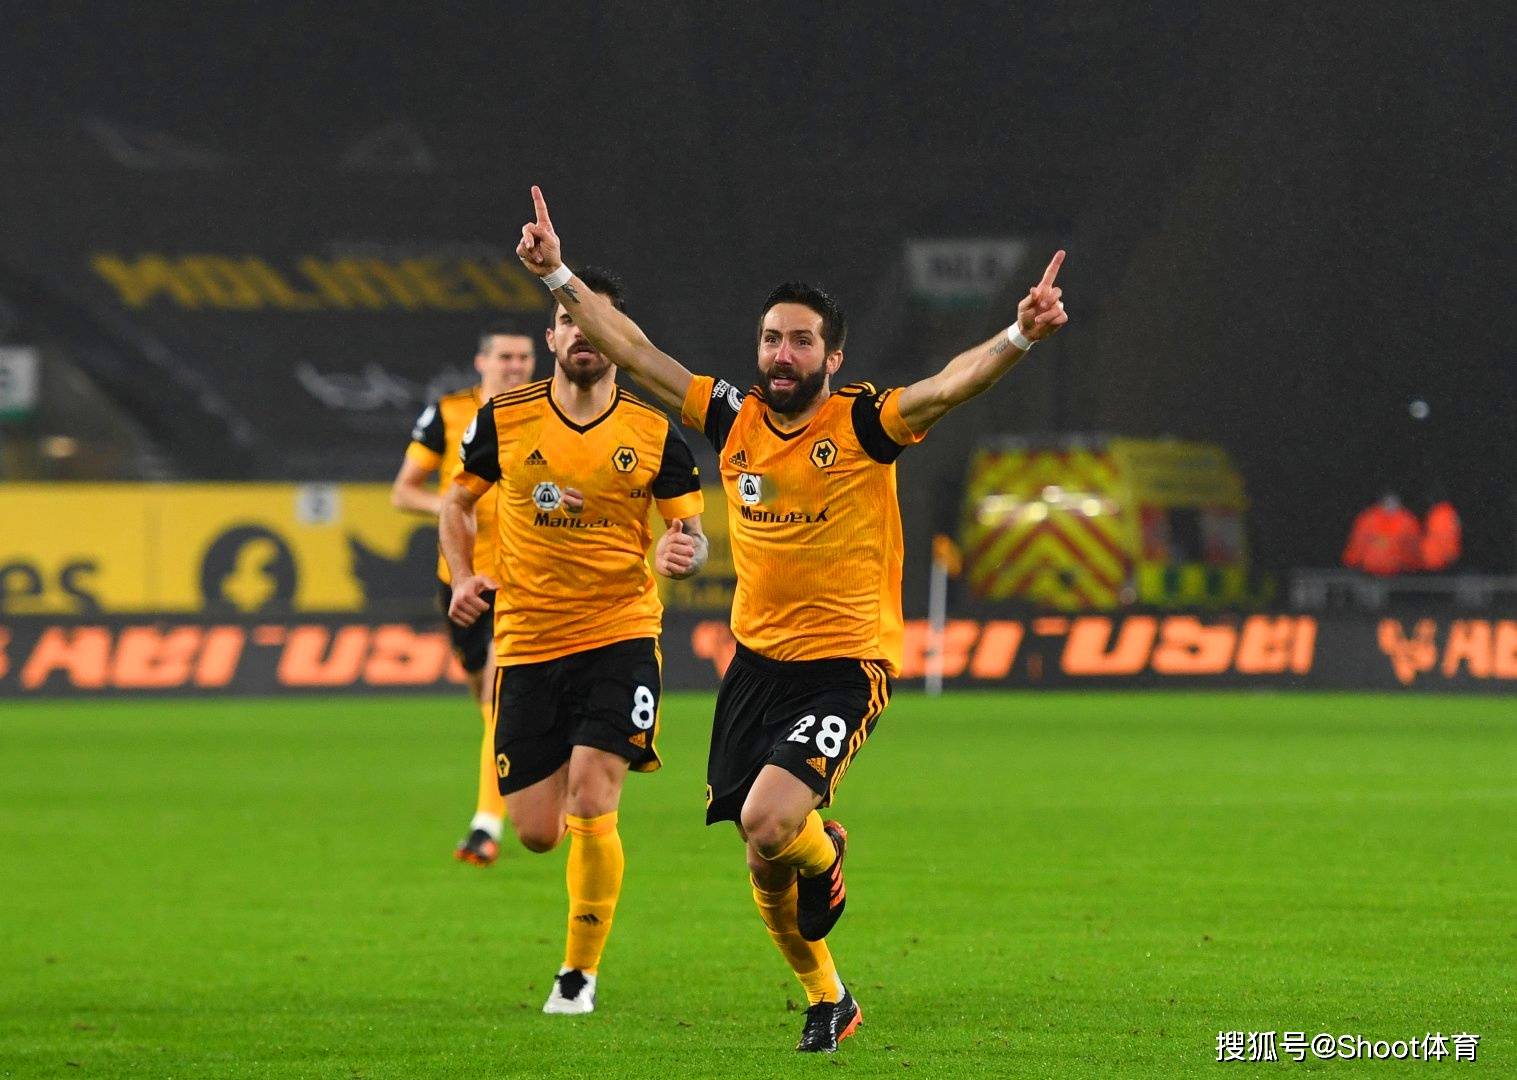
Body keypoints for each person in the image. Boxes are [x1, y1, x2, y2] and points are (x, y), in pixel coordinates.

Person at [513, 187, 1068, 1051]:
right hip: (755, 667)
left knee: (769, 822)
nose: (781, 353)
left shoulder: (864, 423)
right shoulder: (730, 417)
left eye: (801, 340)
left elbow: (947, 387)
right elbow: (633, 349)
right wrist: (556, 276)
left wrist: (1019, 335)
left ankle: (827, 853)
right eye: (771, 338)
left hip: (844, 665)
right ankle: (829, 998)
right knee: (762, 857)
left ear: (831, 355)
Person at [439, 267, 708, 1015]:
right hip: (528, 642)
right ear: (551, 336)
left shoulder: (654, 433)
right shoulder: (504, 418)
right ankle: (566, 858)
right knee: (535, 832)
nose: (582, 333)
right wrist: (462, 576)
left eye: (596, 322)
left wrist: (683, 553)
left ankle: (577, 975)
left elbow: (691, 535)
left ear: (618, 339)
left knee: (594, 794)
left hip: (620, 632)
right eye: (569, 320)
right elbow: (455, 504)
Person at [392, 326, 536, 865]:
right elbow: (404, 491)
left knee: (498, 695)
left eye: (524, 357)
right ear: (482, 362)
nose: (515, 365)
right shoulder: (449, 414)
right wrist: (454, 506)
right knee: (485, 696)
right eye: (505, 356)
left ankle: (485, 826)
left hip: (523, 578)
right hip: (460, 577)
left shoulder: (547, 413)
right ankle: (527, 767)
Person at [1341, 492, 1422, 576]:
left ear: (1400, 504)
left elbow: (1412, 545)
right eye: (1388, 503)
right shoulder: (1368, 519)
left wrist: (1413, 565)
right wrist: (1352, 561)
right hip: (1369, 570)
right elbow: (1358, 542)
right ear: (1381, 503)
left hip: (1397, 571)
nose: (1391, 506)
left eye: (1394, 503)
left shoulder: (1408, 521)